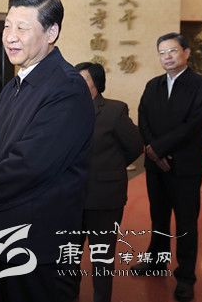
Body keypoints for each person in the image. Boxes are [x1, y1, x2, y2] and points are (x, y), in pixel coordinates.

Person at [0, 0, 95, 302]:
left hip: (36, 245)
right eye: (7, 26)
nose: (10, 37)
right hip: (1, 236)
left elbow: (30, 165)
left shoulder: (66, 87)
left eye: (22, 27)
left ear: (51, 32)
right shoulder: (15, 84)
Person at [133, 32, 202, 302]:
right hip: (156, 166)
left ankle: (186, 277)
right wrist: (153, 151)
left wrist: (159, 148)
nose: (167, 57)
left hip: (185, 167)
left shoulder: (201, 85)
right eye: (162, 52)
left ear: (186, 53)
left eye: (172, 51)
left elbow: (194, 125)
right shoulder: (153, 85)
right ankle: (156, 261)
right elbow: (143, 118)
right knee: (158, 218)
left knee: (186, 223)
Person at [74, 62, 143, 302]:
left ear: (96, 82)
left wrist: (110, 166)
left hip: (104, 198)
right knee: (69, 255)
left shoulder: (114, 110)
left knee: (102, 258)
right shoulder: (65, 109)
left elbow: (135, 146)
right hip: (71, 198)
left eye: (82, 79)